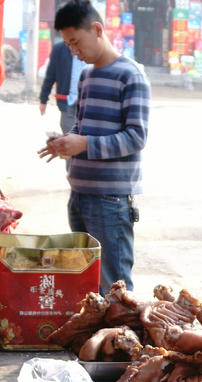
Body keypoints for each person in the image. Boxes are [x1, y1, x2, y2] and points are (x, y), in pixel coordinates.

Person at [38, 0, 150, 294]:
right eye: (68, 45)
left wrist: (83, 144)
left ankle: (119, 340)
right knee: (86, 283)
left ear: (97, 29)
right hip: (79, 194)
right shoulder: (87, 76)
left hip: (111, 200)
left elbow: (136, 137)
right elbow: (81, 124)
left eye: (76, 42)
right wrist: (66, 141)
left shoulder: (131, 76)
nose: (74, 52)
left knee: (114, 287)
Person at [39, 38, 87, 138]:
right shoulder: (59, 49)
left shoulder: (91, 47)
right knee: (67, 126)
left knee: (85, 131)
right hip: (69, 99)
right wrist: (43, 100)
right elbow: (50, 75)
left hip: (88, 99)